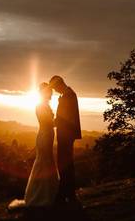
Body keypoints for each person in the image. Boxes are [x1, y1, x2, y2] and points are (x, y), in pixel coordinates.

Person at [9, 82, 59, 210]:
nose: (51, 94)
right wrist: (61, 120)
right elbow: (48, 123)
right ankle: (41, 196)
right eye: (49, 91)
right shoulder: (40, 106)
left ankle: (48, 194)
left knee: (47, 163)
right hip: (44, 137)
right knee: (43, 164)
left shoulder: (45, 105)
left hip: (47, 136)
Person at [49, 75, 81, 205]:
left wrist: (51, 123)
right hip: (65, 134)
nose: (55, 91)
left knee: (64, 163)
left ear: (59, 84)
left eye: (55, 87)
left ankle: (66, 193)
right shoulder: (67, 94)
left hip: (66, 135)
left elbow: (65, 117)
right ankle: (67, 192)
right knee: (65, 163)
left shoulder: (69, 95)